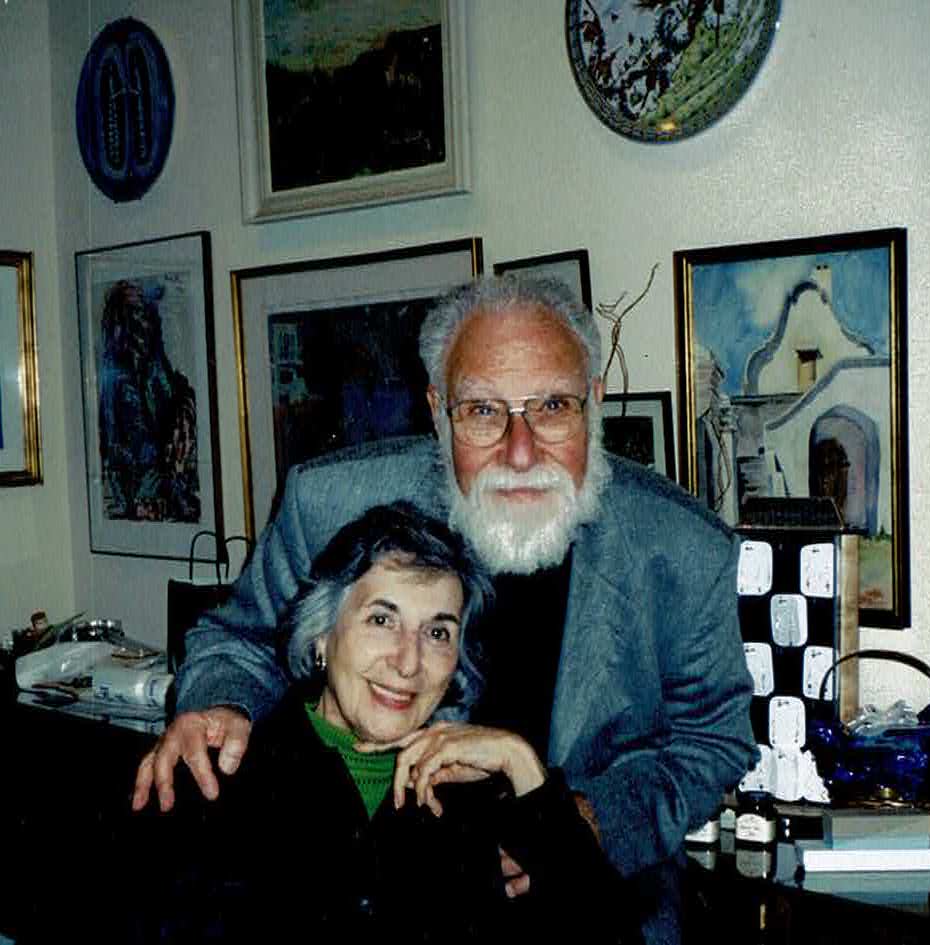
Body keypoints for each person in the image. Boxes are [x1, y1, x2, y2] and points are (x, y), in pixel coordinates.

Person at [134, 274, 758, 945]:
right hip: (377, 886)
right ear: (438, 410)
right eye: (483, 412)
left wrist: (585, 819)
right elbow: (240, 640)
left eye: (551, 406)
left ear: (594, 403)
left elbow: (711, 739)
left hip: (594, 891)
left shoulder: (682, 548)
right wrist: (224, 706)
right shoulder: (329, 502)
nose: (520, 451)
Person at [137, 502, 632, 943]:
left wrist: (523, 766)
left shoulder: (479, 796)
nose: (408, 661)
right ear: (322, 637)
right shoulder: (220, 778)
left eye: (438, 631)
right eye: (382, 619)